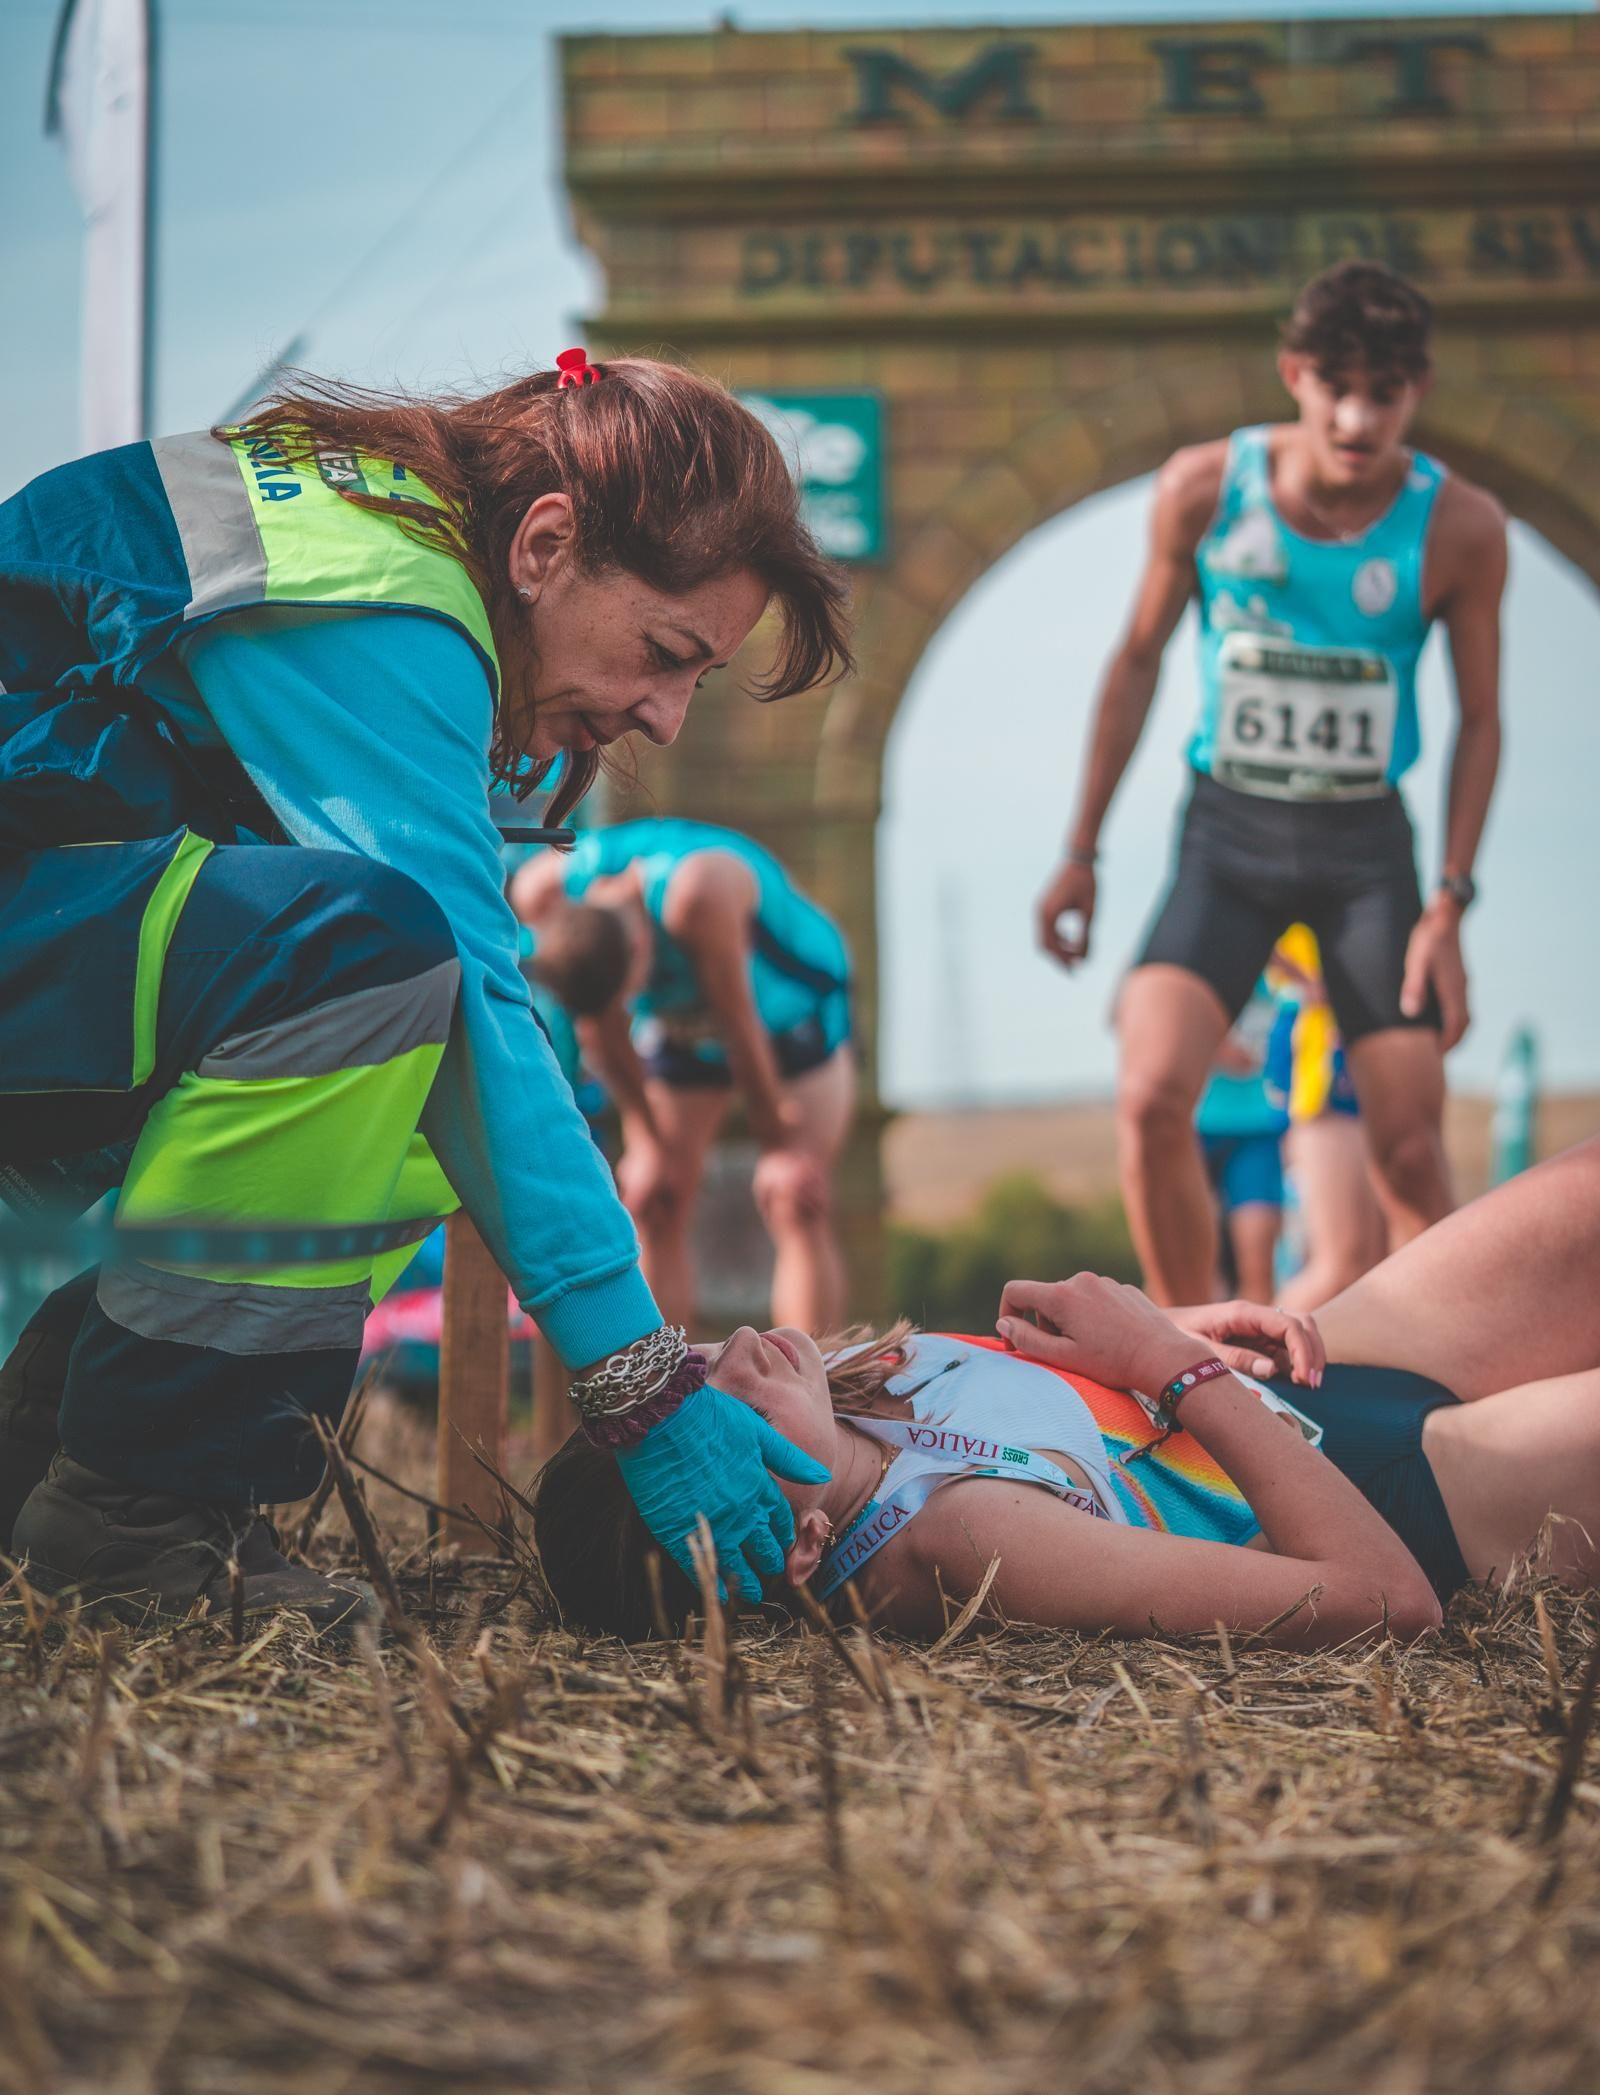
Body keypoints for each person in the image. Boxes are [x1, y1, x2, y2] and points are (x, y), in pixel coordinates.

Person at [0, 354, 852, 1623]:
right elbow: (461, 990)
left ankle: (66, 1435)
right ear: (547, 544)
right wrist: (643, 1383)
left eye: (696, 680)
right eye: (665, 654)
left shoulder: (394, 535)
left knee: (410, 1091)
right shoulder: (389, 605)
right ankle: (140, 1516)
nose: (667, 720)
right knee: (370, 960)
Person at [533, 1138, 1600, 1651]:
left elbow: (1075, 1435)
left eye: (695, 1361)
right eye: (736, 1411)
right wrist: (1170, 1371)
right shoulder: (963, 1541)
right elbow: (1382, 1601)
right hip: (1411, 1490)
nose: (742, 1353)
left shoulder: (842, 1406)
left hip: (1322, 1372)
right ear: (798, 1546)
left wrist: (1165, 1331)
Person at [1036, 261, 1507, 1304]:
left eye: (1382, 394)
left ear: (1413, 393)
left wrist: (1448, 905)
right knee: (1152, 1094)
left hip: (1366, 860)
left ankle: (1452, 1373)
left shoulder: (1460, 527)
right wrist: (1080, 853)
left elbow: (1480, 720)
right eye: (1335, 386)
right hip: (1227, 841)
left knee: (1410, 1150)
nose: (1355, 417)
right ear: (1292, 373)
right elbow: (1136, 659)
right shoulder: (1205, 489)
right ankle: (1182, 1355)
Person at [512, 821, 854, 1333]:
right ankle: (667, 1398)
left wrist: (779, 1140)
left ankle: (815, 1388)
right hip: (688, 1027)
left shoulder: (697, 896)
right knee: (652, 1197)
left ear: (640, 953)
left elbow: (739, 1025)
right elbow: (601, 1038)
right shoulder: (543, 895)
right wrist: (651, 1144)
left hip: (786, 1012)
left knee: (792, 1194)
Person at [1267, 924, 1387, 1310]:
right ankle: (1253, 1360)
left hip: (1371, 1061)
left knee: (1373, 1268)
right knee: (1338, 1266)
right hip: (1322, 1070)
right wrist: (1316, 983)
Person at [1193, 977, 1287, 1304]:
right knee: (1195, 1270)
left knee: (1259, 1268)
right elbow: (1125, 1013)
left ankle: (1253, 1354)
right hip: (1196, 1129)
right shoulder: (1189, 942)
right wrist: (1205, 1038)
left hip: (1260, 1130)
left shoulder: (1290, 960)